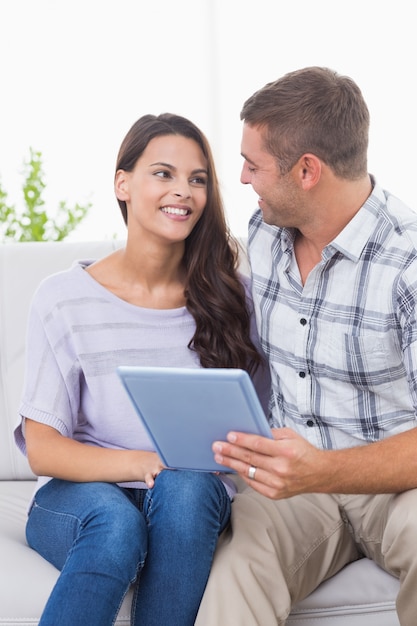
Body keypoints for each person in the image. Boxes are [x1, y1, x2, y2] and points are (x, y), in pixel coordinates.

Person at [14, 113, 269, 626]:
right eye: (164, 173)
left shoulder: (234, 296)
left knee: (188, 487)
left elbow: (261, 425)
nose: (184, 191)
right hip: (81, 494)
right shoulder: (64, 299)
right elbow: (42, 447)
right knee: (116, 526)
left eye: (198, 179)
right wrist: (143, 463)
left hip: (190, 493)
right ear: (122, 183)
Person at [194, 66, 417, 626]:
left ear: (308, 171)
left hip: (397, 485)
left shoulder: (407, 265)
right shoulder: (266, 233)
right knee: (238, 566)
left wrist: (322, 470)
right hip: (294, 491)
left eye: (254, 164)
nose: (243, 178)